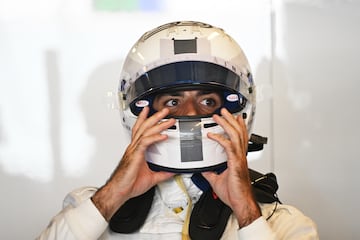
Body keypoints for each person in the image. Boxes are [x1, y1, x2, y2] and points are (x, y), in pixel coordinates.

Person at [37, 21, 319, 240]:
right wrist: (112, 195)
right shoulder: (91, 209)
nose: (191, 113)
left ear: (236, 111)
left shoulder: (279, 222)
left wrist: (246, 211)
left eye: (208, 101)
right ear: (139, 110)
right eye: (173, 101)